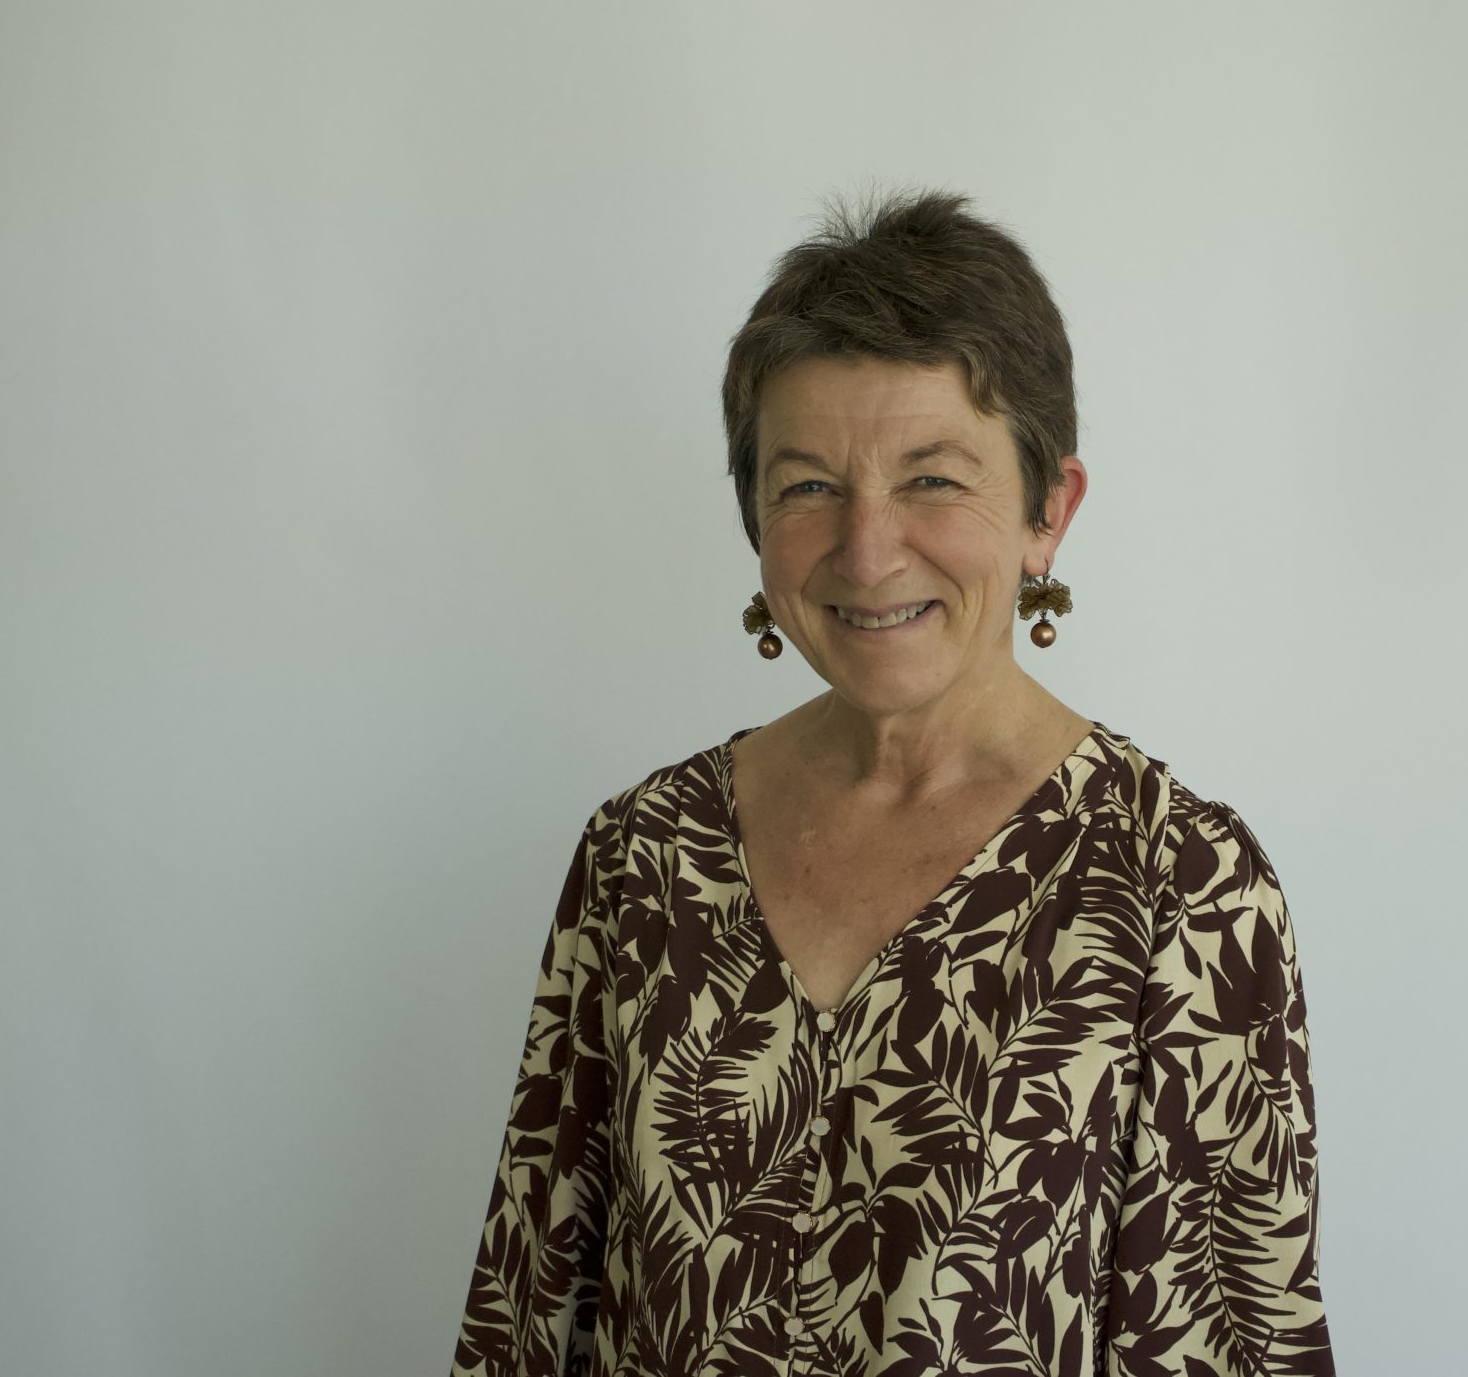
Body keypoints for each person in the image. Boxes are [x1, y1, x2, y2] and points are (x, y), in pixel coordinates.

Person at [447, 190, 1334, 1376]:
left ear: (1048, 510)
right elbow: (525, 1309)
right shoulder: (642, 857)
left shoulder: (1181, 889)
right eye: (808, 485)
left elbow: (1230, 1344)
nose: (867, 553)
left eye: (932, 480)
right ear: (753, 517)